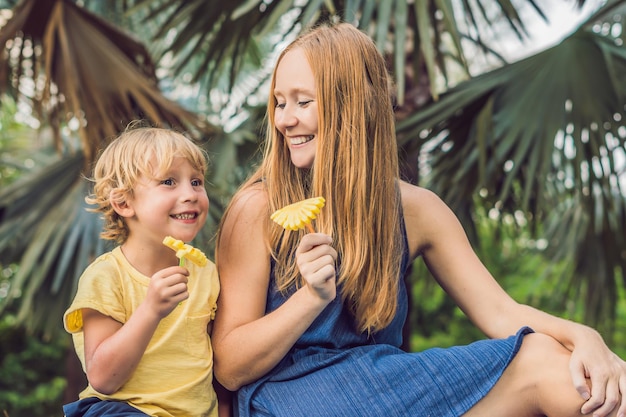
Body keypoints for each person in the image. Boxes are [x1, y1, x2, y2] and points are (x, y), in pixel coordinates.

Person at [211, 22, 626, 417]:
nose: (284, 119)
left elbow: (501, 312)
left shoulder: (417, 209)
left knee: (567, 369)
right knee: (545, 363)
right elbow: (228, 366)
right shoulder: (258, 208)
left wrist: (584, 338)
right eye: (279, 102)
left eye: (303, 102)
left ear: (351, 107)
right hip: (289, 397)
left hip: (385, 385)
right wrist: (309, 299)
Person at [62, 126, 224, 416]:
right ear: (124, 203)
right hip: (119, 409)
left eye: (197, 182)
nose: (190, 193)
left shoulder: (206, 273)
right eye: (169, 181)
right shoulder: (106, 277)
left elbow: (215, 367)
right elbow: (102, 377)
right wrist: (151, 310)